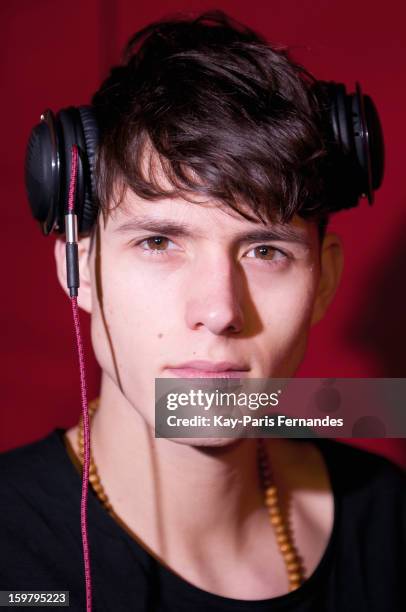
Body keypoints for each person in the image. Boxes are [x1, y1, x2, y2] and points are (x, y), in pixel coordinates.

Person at [1, 10, 405, 612]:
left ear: (325, 281)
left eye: (266, 250)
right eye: (159, 242)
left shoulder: (389, 518)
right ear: (77, 270)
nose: (218, 310)